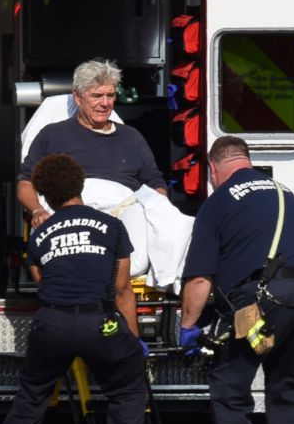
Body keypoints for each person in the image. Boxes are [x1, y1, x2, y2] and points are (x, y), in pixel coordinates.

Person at [178, 136, 294, 424]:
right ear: (246, 161)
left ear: (214, 169)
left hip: (261, 299)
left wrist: (186, 327)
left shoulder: (219, 202)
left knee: (230, 385)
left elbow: (200, 278)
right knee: (288, 384)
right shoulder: (284, 192)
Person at [0, 153, 152, 424]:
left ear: (46, 195)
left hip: (52, 322)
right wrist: (133, 342)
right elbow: (122, 288)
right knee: (127, 387)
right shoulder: (111, 226)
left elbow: (43, 281)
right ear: (80, 185)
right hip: (98, 321)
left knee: (32, 394)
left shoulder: (38, 236)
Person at [17, 58, 193, 289]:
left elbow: (154, 182)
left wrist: (158, 209)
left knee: (175, 227)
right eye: (96, 96)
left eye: (110, 96)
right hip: (70, 204)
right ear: (78, 97)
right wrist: (38, 210)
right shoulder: (52, 134)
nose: (105, 103)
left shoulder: (131, 137)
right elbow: (26, 182)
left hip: (122, 207)